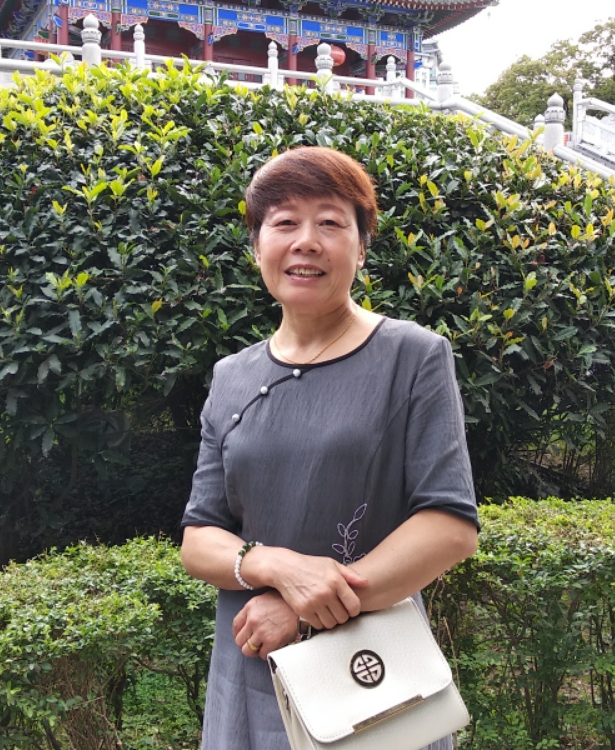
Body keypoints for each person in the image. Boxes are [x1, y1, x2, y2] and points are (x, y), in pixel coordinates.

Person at [180, 146, 479, 750]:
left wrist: (301, 606)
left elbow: (449, 525)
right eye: (285, 222)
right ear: (257, 246)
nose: (306, 241)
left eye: (331, 223)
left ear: (361, 249)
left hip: (371, 675)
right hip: (252, 666)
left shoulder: (412, 356)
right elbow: (200, 536)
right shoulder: (232, 375)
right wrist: (273, 566)